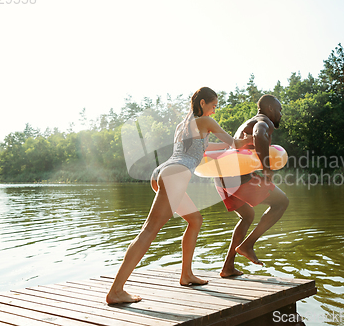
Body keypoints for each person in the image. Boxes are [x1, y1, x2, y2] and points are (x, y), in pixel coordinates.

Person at [106, 87, 252, 304]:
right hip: (177, 174)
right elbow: (235, 143)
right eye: (213, 106)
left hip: (163, 172)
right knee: (148, 231)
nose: (214, 110)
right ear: (202, 103)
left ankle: (186, 275)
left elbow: (208, 148)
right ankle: (116, 290)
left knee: (195, 220)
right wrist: (250, 140)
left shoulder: (182, 126)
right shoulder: (207, 122)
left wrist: (228, 147)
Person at [215, 94, 289, 278]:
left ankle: (228, 267)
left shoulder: (246, 123)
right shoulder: (264, 121)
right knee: (281, 202)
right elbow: (259, 134)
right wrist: (266, 169)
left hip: (222, 178)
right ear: (270, 108)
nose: (281, 114)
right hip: (238, 176)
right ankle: (247, 245)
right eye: (279, 110)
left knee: (247, 216)